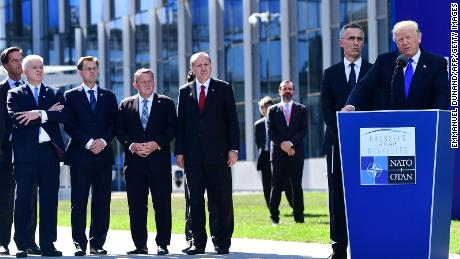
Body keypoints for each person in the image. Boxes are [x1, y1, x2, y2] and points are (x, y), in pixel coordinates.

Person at [175, 52, 239, 255]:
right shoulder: (184, 92)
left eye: (206, 64)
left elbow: (232, 122)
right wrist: (179, 151)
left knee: (220, 200)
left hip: (219, 155)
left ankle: (222, 241)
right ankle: (197, 242)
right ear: (192, 69)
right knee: (194, 200)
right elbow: (181, 124)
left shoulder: (223, 88)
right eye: (198, 65)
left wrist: (233, 149)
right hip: (193, 157)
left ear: (211, 66)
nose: (203, 68)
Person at [320, 23, 372, 259]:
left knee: (367, 198)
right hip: (335, 144)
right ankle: (338, 249)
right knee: (337, 199)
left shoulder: (373, 71)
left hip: (367, 147)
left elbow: (376, 106)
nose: (356, 43)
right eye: (351, 38)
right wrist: (342, 133)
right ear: (341, 42)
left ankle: (367, 246)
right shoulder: (330, 74)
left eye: (360, 39)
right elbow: (326, 109)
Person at [7, 55, 65, 258]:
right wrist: (47, 113)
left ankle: (48, 244)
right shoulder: (14, 94)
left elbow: (63, 115)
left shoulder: (55, 92)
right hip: (25, 155)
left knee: (49, 200)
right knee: (23, 199)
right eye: (34, 67)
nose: (39, 70)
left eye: (41, 67)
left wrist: (38, 113)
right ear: (24, 72)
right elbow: (16, 118)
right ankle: (22, 244)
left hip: (49, 153)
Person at [116, 68, 176, 256]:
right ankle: (140, 244)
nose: (147, 84)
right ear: (135, 85)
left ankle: (163, 244)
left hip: (159, 163)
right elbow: (119, 130)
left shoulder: (166, 103)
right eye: (143, 82)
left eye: (150, 81)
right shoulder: (125, 105)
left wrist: (156, 143)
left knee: (163, 205)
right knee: (136, 206)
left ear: (154, 82)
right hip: (134, 165)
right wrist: (132, 145)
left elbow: (172, 128)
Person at [63, 56, 118, 256]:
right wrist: (87, 142)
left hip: (103, 155)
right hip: (80, 155)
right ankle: (79, 243)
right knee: (79, 202)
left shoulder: (109, 95)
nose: (92, 72)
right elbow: (68, 124)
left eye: (94, 68)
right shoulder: (70, 95)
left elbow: (115, 123)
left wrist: (103, 141)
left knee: (102, 201)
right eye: (88, 69)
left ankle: (97, 244)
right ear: (80, 72)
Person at [344, 20, 449, 112]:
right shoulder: (384, 61)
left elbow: (442, 94)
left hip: (424, 124)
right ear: (396, 44)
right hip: (392, 126)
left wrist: (434, 115)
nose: (405, 42)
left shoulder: (436, 63)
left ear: (419, 38)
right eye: (400, 40)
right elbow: (365, 86)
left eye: (408, 37)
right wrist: (351, 105)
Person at [0, 47, 40, 256]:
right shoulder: (0, 90)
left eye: (20, 60)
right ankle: (2, 241)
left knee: (30, 197)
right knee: (4, 197)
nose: (18, 63)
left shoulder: (34, 89)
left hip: (30, 152)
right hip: (5, 153)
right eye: (14, 61)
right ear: (5, 65)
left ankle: (28, 241)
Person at [267, 80, 308, 225]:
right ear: (279, 91)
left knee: (297, 185)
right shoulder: (272, 110)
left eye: (290, 89)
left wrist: (290, 144)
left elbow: (303, 130)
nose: (287, 91)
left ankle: (299, 217)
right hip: (278, 153)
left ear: (293, 91)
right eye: (284, 89)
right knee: (276, 185)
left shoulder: (301, 109)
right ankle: (274, 218)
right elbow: (271, 131)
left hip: (296, 152)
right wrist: (283, 145)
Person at [254, 96, 293, 210]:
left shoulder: (280, 121)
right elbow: (258, 142)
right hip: (265, 156)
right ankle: (272, 208)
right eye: (262, 107)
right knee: (267, 184)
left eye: (266, 106)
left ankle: (294, 206)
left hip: (279, 154)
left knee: (286, 182)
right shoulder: (258, 124)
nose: (263, 109)